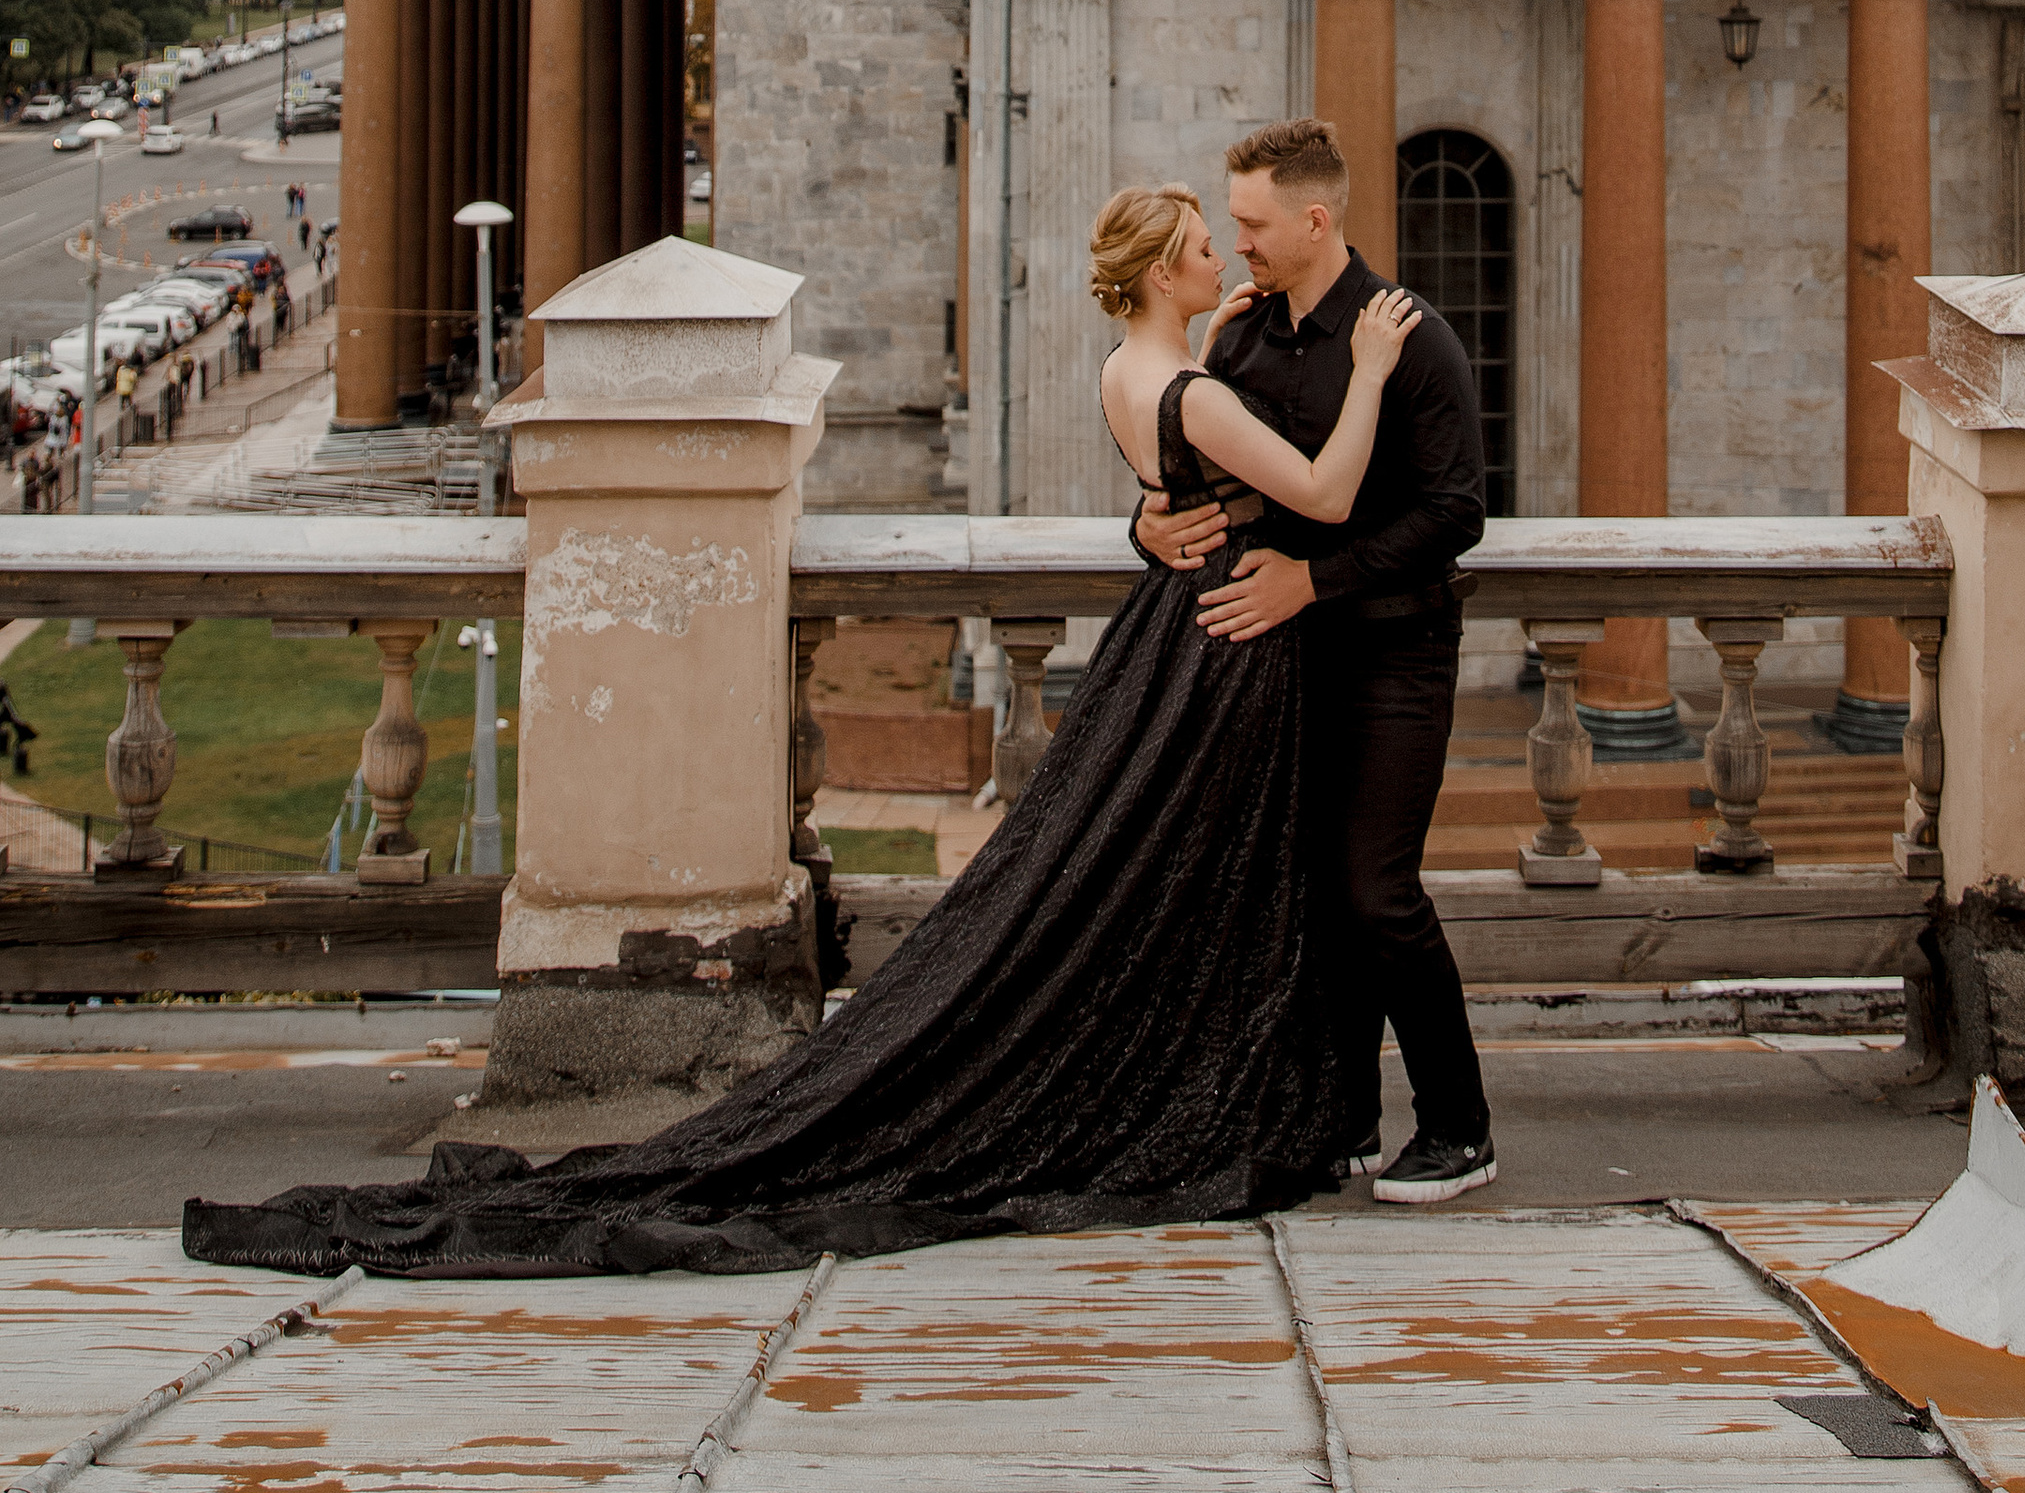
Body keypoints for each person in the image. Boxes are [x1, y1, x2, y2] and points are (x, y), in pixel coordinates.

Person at [184, 181, 1418, 1279]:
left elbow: (1167, 472)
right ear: (1163, 273)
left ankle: (1229, 1081)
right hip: (1223, 654)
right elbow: (1319, 493)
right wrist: (1364, 374)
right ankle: (1214, 1093)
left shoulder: (1125, 373)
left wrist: (1155, 509)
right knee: (1186, 887)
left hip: (1172, 635)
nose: (1226, 256)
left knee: (1129, 887)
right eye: (1208, 244)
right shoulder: (1192, 385)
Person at [1135, 117, 1493, 1205]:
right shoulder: (1239, 336)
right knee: (1304, 892)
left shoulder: (1410, 336)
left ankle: (1462, 1130)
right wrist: (1145, 527)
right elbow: (1206, 480)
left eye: (1249, 223)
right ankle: (1336, 1118)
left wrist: (1315, 580)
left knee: (1375, 893)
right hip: (1278, 665)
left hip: (1395, 654)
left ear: (1314, 218)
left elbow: (1456, 513)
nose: (1236, 240)